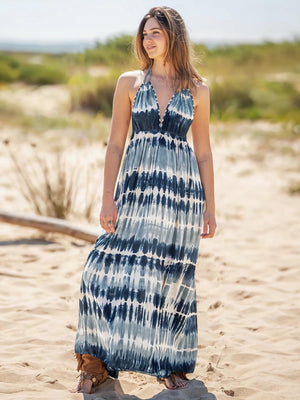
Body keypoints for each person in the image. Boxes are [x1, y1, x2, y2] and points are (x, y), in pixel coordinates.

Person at [72, 6, 216, 393]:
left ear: (175, 37)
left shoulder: (197, 89)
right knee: (99, 270)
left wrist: (210, 207)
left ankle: (170, 365)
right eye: (145, 34)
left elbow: (203, 152)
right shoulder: (130, 82)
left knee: (170, 280)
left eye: (156, 33)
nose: (148, 40)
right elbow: (116, 143)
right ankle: (95, 361)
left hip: (180, 199)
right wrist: (107, 198)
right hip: (135, 192)